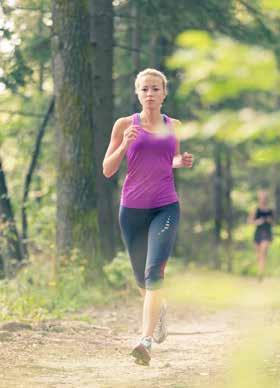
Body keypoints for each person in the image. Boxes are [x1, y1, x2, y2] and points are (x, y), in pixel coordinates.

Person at [102, 68, 193, 365]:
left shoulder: (174, 125)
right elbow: (108, 169)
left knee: (155, 273)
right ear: (137, 93)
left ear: (165, 93)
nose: (150, 94)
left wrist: (183, 161)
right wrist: (126, 144)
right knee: (142, 278)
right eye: (145, 89)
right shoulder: (124, 125)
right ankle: (159, 309)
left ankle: (145, 342)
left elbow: (171, 159)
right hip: (131, 211)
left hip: (165, 206)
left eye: (156, 89)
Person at [248, 190, 274, 282]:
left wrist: (268, 220)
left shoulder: (270, 210)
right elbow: (250, 222)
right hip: (258, 233)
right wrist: (258, 222)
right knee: (259, 255)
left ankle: (260, 273)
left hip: (266, 233)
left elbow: (273, 222)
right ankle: (260, 271)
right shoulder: (256, 209)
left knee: (263, 252)